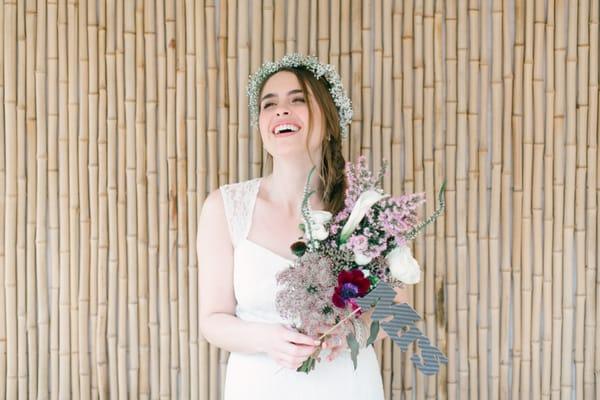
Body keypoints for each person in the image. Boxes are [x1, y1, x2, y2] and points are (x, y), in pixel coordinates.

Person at [198, 54, 406, 400]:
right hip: (260, 384)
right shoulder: (225, 209)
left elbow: (397, 310)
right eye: (269, 104)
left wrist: (345, 333)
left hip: (347, 384)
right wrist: (267, 339)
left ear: (328, 118)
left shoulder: (363, 209)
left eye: (298, 100)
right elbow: (213, 320)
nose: (281, 110)